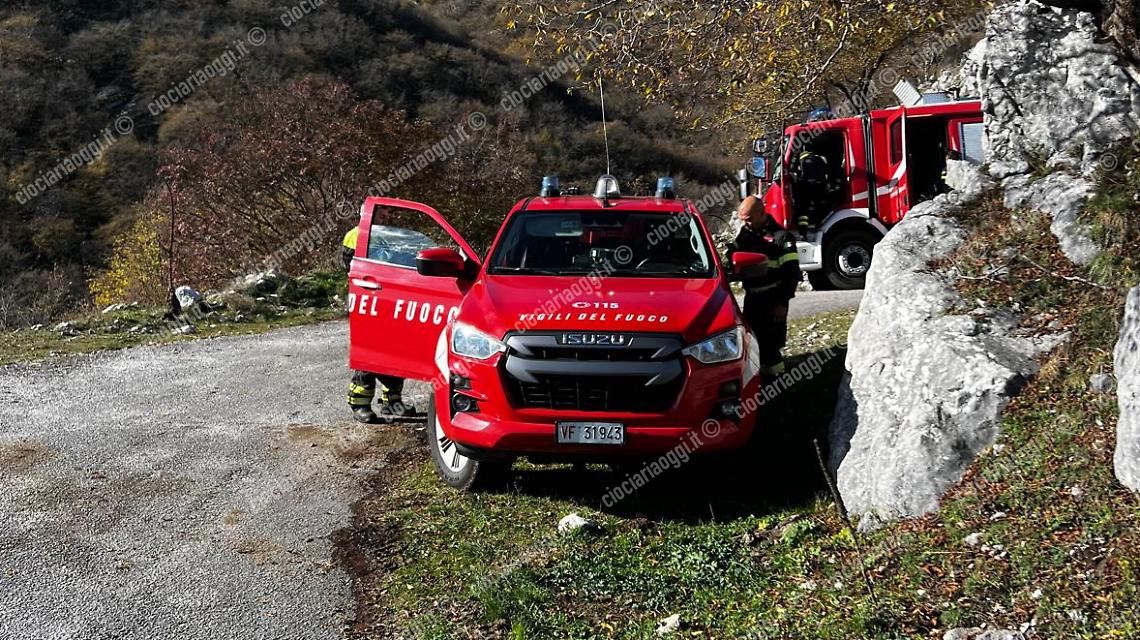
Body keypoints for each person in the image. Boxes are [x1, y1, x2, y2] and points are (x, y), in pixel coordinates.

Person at [341, 226, 415, 423]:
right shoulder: (355, 235)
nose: (386, 217)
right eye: (382, 212)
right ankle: (360, 404)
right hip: (368, 299)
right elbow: (352, 269)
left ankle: (392, 402)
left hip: (388, 299)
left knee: (394, 353)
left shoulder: (390, 235)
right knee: (369, 354)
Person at [729, 196, 801, 376]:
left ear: (762, 214)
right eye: (743, 220)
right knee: (751, 341)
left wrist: (782, 304)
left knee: (770, 346)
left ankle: (777, 379)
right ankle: (756, 379)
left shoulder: (782, 237)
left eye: (749, 219)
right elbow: (733, 254)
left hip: (773, 299)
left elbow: (791, 274)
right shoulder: (747, 234)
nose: (746, 224)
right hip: (753, 298)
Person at [793, 150, 831, 233]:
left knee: (803, 211)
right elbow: (826, 173)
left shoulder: (801, 160)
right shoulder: (821, 159)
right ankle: (819, 226)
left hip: (806, 187)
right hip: (820, 187)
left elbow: (798, 174)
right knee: (819, 207)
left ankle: (803, 231)